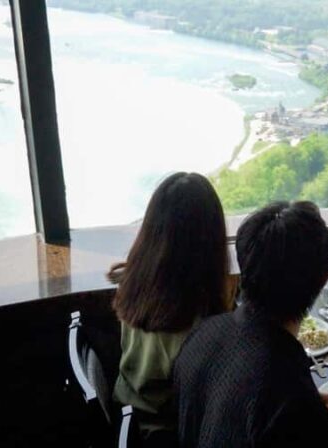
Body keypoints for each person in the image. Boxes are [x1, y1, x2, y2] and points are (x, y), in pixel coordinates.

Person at [172, 201, 328, 448]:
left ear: (244, 266)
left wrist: (296, 407)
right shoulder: (293, 403)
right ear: (325, 279)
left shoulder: (202, 334)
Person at [108, 172, 230, 439]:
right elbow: (213, 401)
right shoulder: (192, 322)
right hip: (165, 433)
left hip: (130, 411)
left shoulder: (135, 278)